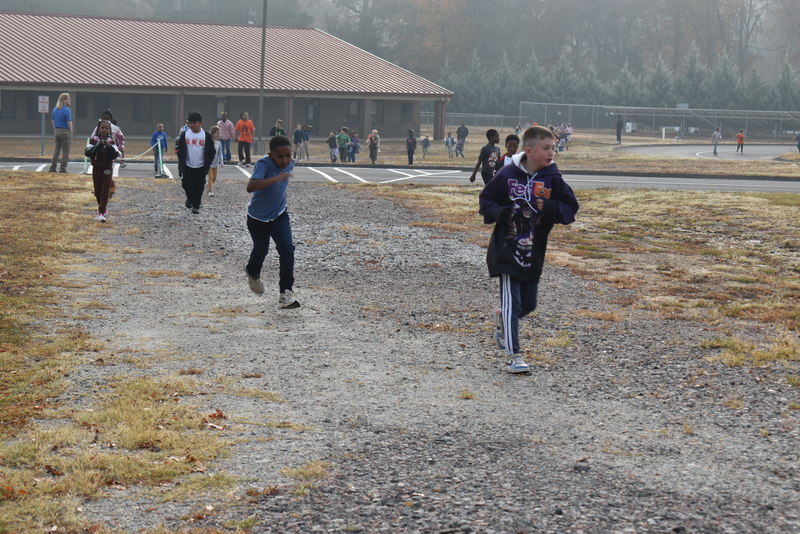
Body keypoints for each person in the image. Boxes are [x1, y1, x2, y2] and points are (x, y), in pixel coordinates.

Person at [479, 126, 579, 374]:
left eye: (553, 148)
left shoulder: (552, 178)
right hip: (506, 248)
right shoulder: (506, 174)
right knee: (512, 299)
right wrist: (500, 213)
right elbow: (486, 200)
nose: (551, 152)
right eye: (546, 148)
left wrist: (550, 207)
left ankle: (503, 318)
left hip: (534, 249)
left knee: (529, 303)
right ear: (529, 150)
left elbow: (570, 207)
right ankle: (514, 356)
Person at [245, 135, 300, 309]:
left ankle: (286, 293)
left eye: (288, 156)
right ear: (270, 155)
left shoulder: (291, 163)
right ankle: (253, 272)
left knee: (286, 248)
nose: (284, 160)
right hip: (257, 218)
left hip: (279, 215)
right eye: (279, 156)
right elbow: (250, 187)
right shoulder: (263, 164)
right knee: (261, 250)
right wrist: (275, 178)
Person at [176, 111, 216, 214]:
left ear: (200, 123)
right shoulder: (185, 135)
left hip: (201, 166)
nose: (193, 125)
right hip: (188, 165)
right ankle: (190, 198)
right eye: (191, 123)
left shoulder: (206, 135)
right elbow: (179, 149)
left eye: (195, 123)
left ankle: (196, 205)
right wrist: (181, 161)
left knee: (199, 186)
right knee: (186, 184)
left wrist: (208, 163)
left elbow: (212, 151)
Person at [84, 119, 120, 222]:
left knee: (105, 190)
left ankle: (101, 212)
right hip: (96, 168)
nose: (104, 130)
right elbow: (88, 152)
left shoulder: (112, 142)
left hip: (107, 169)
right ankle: (103, 208)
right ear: (98, 129)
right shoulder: (93, 141)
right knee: (98, 191)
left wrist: (108, 146)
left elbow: (115, 154)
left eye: (106, 128)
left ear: (109, 130)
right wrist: (100, 144)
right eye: (102, 128)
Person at [49, 92, 73, 173]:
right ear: (64, 100)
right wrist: (71, 131)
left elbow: (52, 121)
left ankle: (52, 167)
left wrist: (56, 128)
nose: (70, 100)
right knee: (66, 152)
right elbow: (69, 122)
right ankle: (62, 169)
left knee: (56, 151)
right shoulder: (67, 110)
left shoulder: (55, 109)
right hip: (65, 131)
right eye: (68, 99)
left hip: (56, 130)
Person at [207, 125, 224, 197]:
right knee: (210, 177)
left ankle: (209, 185)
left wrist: (221, 162)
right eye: (217, 133)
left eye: (219, 133)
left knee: (214, 178)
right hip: (209, 163)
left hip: (215, 163)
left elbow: (220, 153)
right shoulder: (208, 142)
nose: (218, 135)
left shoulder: (219, 143)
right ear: (212, 133)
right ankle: (210, 191)